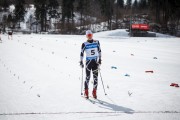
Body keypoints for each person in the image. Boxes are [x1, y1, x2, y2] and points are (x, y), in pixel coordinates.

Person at [80, 30, 102, 99]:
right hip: (88, 63)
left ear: (92, 35)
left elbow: (99, 51)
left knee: (95, 78)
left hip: (95, 63)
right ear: (86, 36)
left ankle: (94, 92)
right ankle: (86, 92)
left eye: (90, 35)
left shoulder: (97, 42)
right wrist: (81, 61)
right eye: (88, 35)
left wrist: (100, 59)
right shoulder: (84, 44)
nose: (89, 37)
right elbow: (81, 53)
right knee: (87, 77)